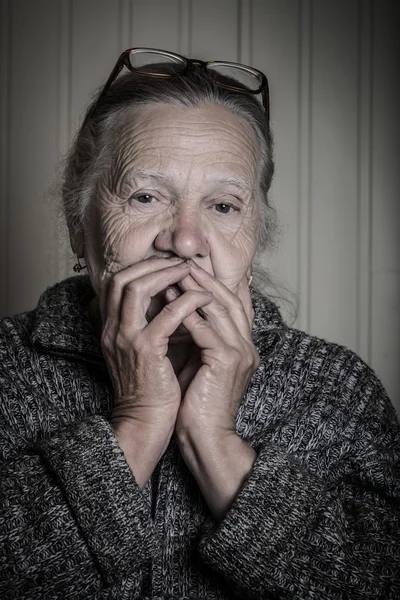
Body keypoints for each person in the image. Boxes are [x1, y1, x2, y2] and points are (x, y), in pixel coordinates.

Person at [0, 47, 399, 600]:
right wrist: (136, 422)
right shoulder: (7, 366)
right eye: (145, 196)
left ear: (256, 234)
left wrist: (215, 442)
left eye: (224, 206)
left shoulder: (338, 390)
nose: (185, 240)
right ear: (78, 223)